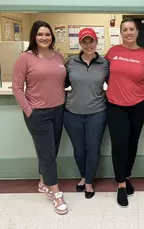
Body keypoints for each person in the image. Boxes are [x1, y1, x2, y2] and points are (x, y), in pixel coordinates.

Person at [12, 21, 68, 215]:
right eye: (40, 34)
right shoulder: (25, 58)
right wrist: (29, 110)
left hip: (58, 110)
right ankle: (56, 192)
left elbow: (61, 82)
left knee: (50, 150)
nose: (44, 37)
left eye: (47, 34)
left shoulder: (58, 56)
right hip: (37, 112)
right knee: (48, 154)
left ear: (52, 36)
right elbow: (17, 88)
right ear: (34, 36)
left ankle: (43, 182)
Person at [105, 18, 144, 207]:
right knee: (119, 145)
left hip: (138, 106)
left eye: (131, 29)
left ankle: (126, 176)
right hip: (115, 106)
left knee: (132, 144)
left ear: (137, 32)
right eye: (125, 29)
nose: (128, 32)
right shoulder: (112, 52)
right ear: (121, 32)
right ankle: (121, 185)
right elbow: (100, 73)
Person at [63, 28, 109, 199]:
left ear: (97, 42)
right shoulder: (70, 62)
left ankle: (89, 181)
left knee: (93, 148)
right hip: (72, 112)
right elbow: (59, 83)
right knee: (79, 149)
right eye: (85, 41)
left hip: (97, 112)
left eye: (91, 41)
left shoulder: (105, 63)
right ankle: (83, 175)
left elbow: (116, 83)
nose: (88, 45)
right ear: (80, 44)